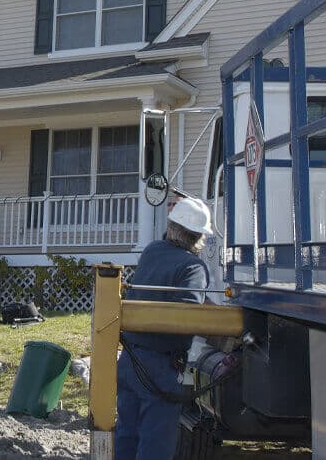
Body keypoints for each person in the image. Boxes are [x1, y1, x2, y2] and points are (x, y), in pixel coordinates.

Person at [114, 197, 214, 460]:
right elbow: (186, 316)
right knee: (155, 446)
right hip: (159, 366)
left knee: (126, 436)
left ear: (171, 226)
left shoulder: (152, 251)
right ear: (199, 237)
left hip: (130, 360)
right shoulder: (193, 266)